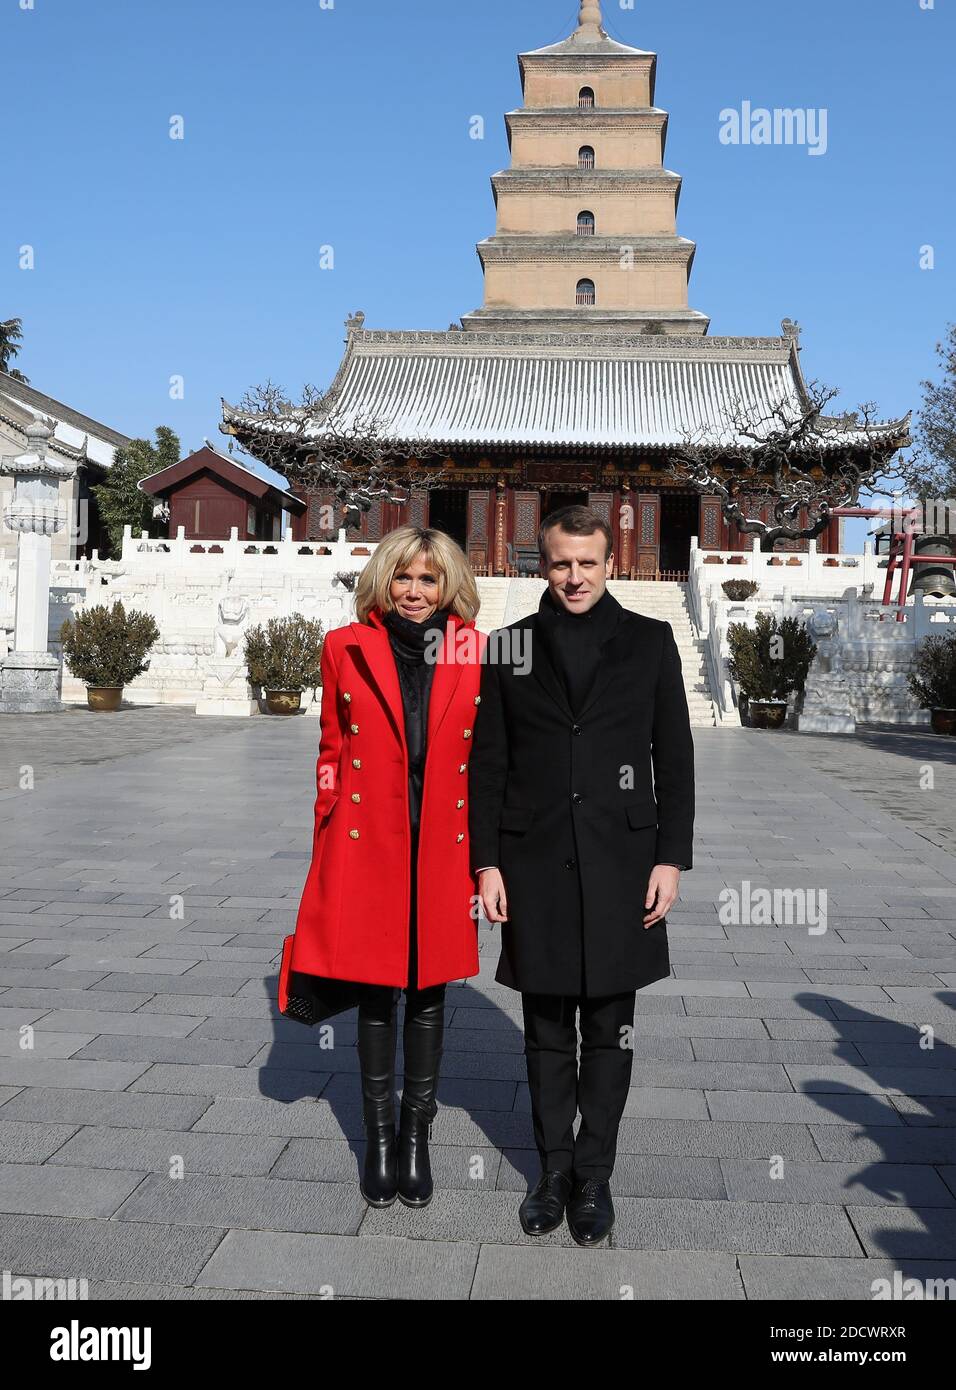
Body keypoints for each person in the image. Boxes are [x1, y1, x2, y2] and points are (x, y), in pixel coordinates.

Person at [468, 505, 695, 1245]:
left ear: (610, 562)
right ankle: (552, 1170)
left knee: (609, 1029)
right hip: (532, 861)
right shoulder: (510, 648)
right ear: (543, 563)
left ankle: (595, 1176)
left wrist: (670, 857)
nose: (574, 577)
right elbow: (490, 764)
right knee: (543, 1032)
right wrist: (487, 862)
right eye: (561, 563)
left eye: (587, 563)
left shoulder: (651, 642)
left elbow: (676, 759)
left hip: (622, 861)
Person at [284, 526, 484, 1208]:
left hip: (443, 841)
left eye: (430, 579)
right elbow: (332, 749)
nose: (416, 591)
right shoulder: (345, 646)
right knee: (375, 989)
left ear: (450, 584)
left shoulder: (476, 650)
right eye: (404, 577)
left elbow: (489, 758)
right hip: (368, 838)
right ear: (384, 581)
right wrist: (328, 833)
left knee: (429, 992)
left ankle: (415, 1137)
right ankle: (377, 1137)